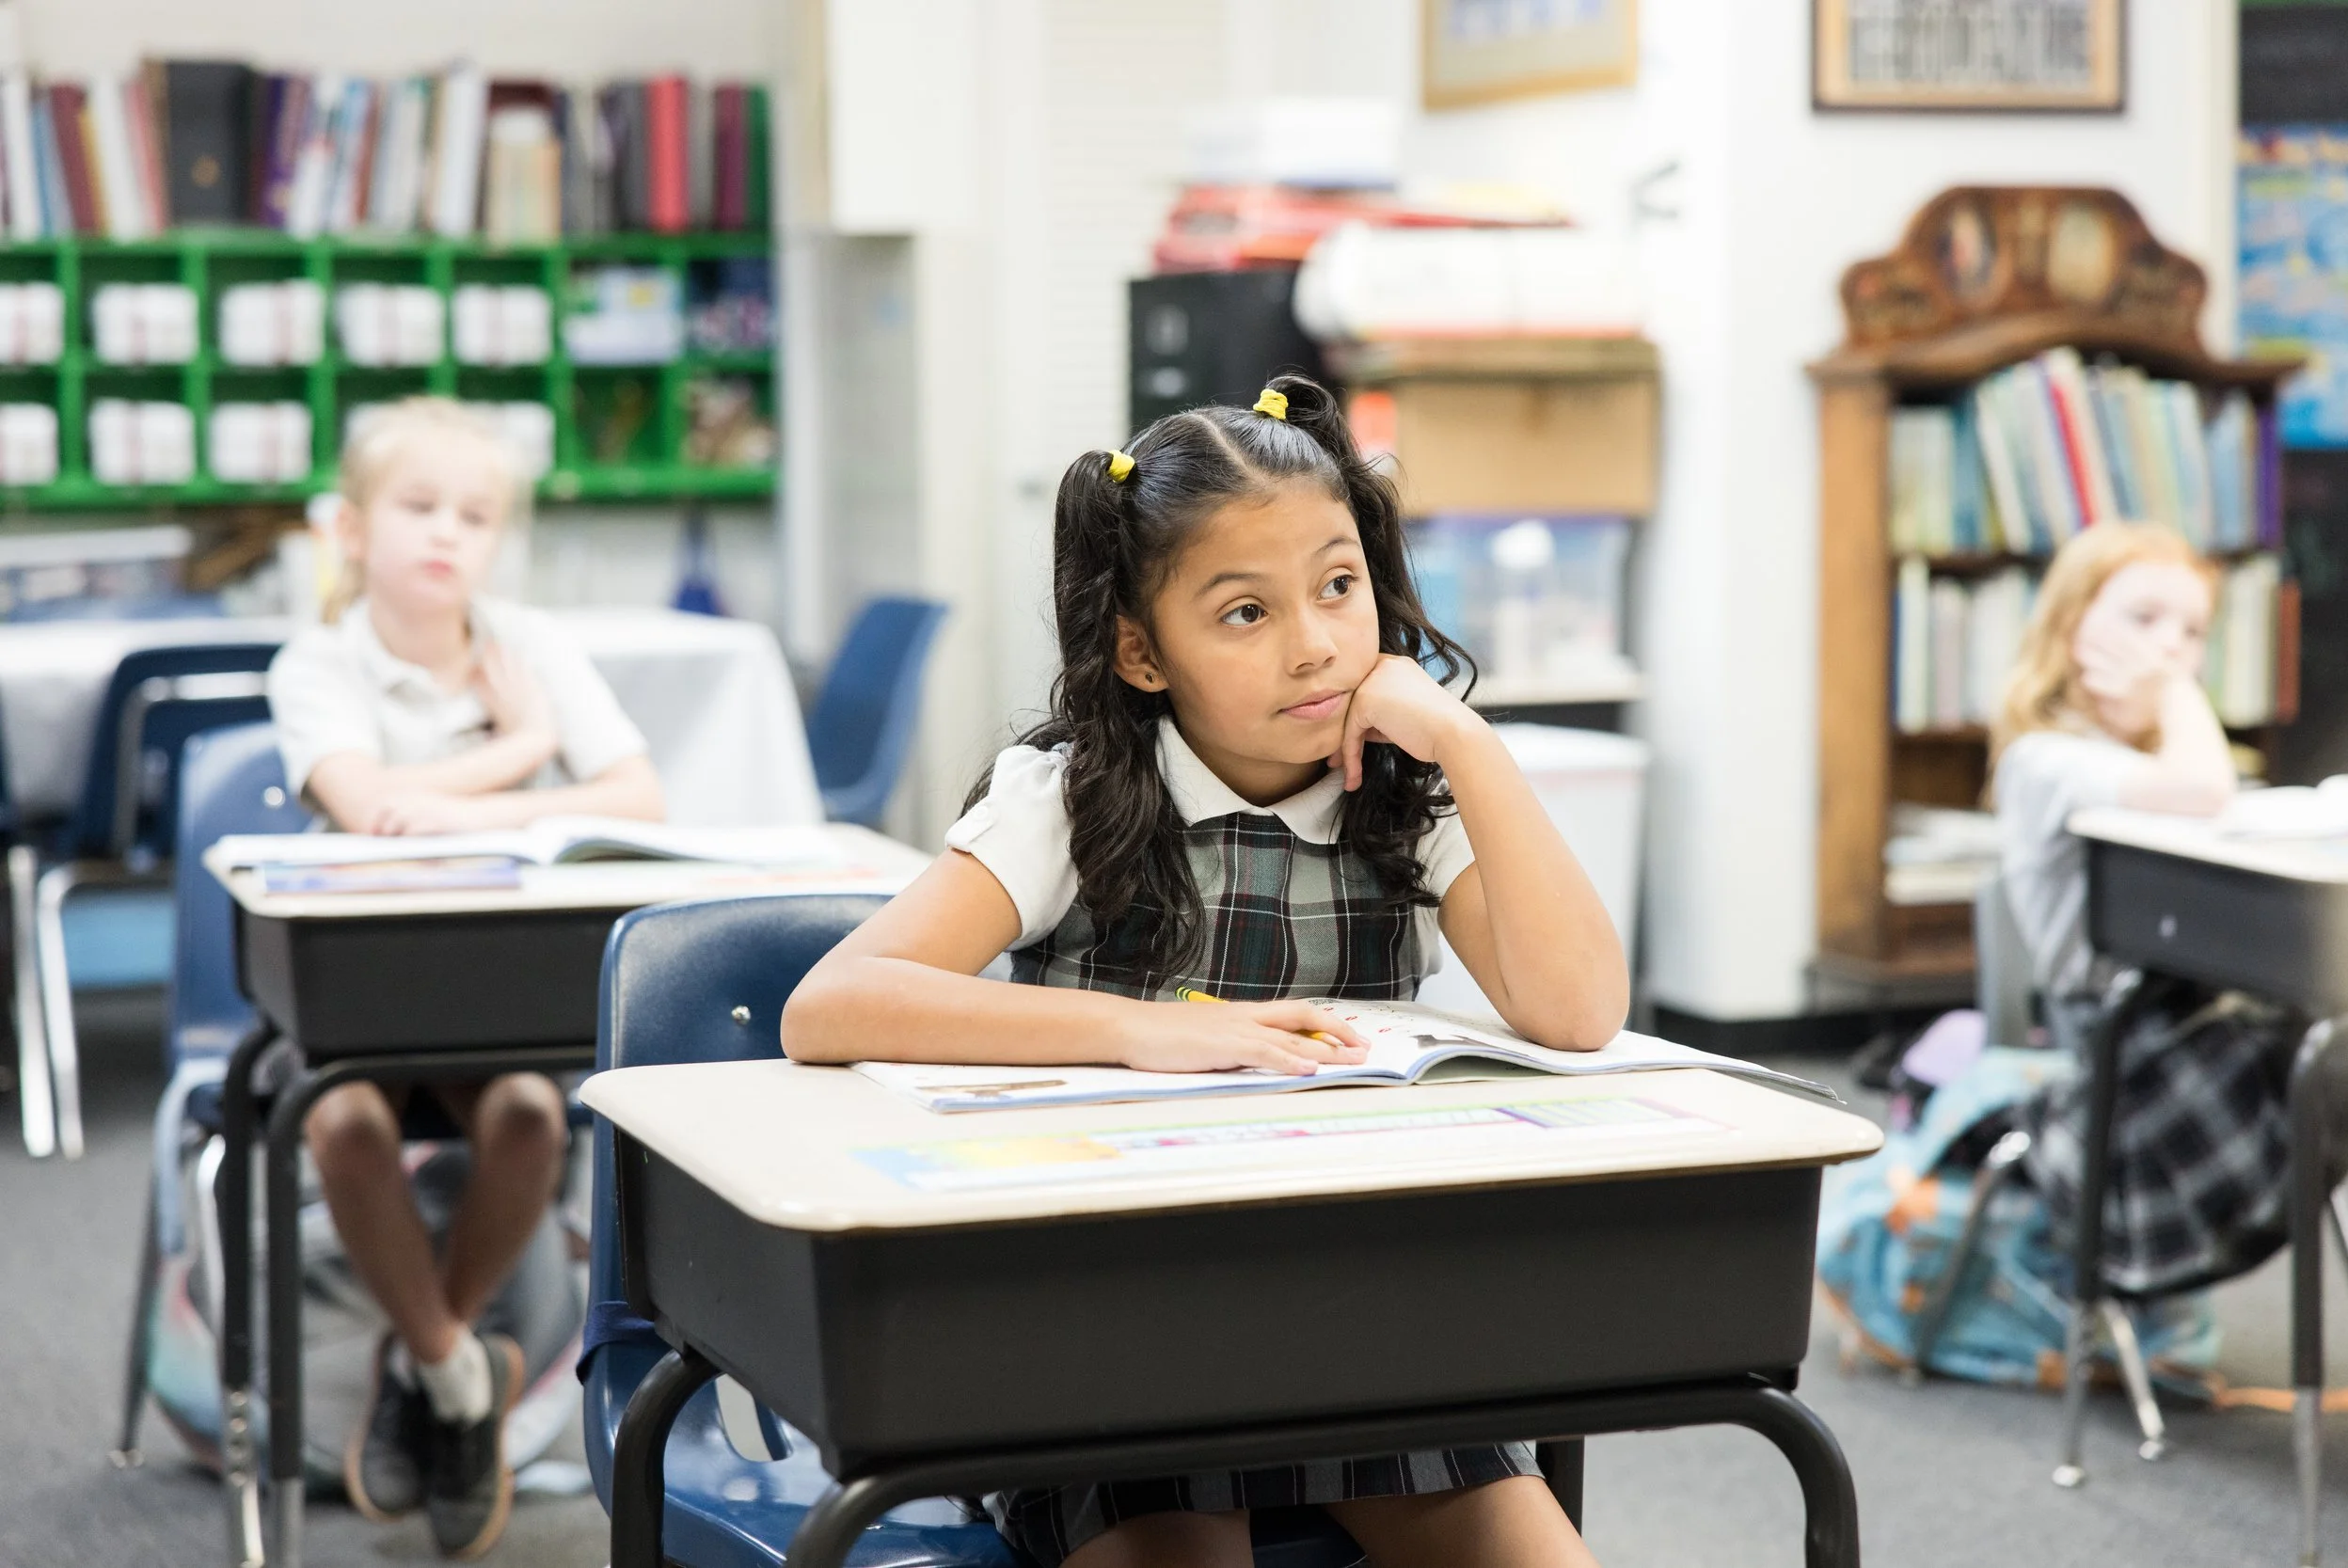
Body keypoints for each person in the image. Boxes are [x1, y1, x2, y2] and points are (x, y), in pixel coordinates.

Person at [785, 377, 1624, 1568]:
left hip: (1358, 1322)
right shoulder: (1070, 798)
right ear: (1140, 650)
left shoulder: (1398, 791)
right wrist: (1145, 1031)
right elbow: (833, 1004)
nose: (1316, 642)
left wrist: (1466, 743)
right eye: (1244, 612)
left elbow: (1578, 1007)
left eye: (1340, 587)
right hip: (1110, 1332)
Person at [266, 397, 664, 1559]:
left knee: (536, 1115)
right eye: (419, 506)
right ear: (349, 528)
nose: (448, 533)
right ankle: (456, 1372)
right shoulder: (316, 662)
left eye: (476, 514)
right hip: (360, 1000)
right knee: (340, 1125)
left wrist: (481, 774)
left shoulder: (529, 644)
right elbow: (371, 811)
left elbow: (638, 798)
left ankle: (425, 1365)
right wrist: (523, 745)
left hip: (493, 997)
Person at [1991, 520, 2298, 1299]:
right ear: (2069, 627)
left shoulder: (2149, 760)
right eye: (2143, 619)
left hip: (2197, 1053)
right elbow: (2204, 792)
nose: (2170, 647)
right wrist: (2177, 691)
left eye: (2192, 632)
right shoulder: (2046, 761)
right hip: (2126, 1097)